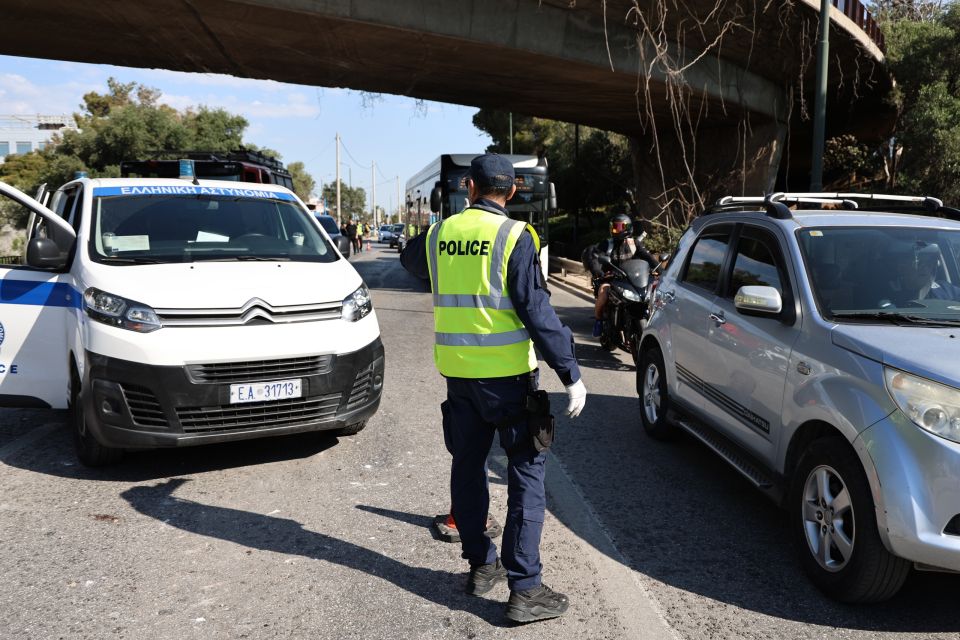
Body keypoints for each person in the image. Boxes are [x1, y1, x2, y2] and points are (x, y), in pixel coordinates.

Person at [401, 153, 586, 623]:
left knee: (467, 469)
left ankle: (482, 564)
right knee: (526, 474)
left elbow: (409, 259)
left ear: (469, 187)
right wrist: (570, 372)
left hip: (459, 377)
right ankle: (525, 588)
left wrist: (446, 221)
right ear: (513, 191)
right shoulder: (515, 236)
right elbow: (537, 312)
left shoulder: (441, 234)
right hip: (509, 382)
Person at [586, 213, 658, 337]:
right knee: (603, 292)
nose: (616, 230)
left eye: (620, 227)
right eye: (614, 227)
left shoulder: (634, 244)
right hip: (612, 279)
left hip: (631, 280)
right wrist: (601, 273)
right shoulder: (607, 244)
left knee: (652, 294)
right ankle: (598, 321)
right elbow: (595, 259)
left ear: (628, 228)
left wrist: (660, 270)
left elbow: (648, 257)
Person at [883, 241, 960, 306]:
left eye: (929, 264)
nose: (925, 268)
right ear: (901, 267)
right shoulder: (885, 291)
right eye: (919, 263)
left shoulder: (948, 291)